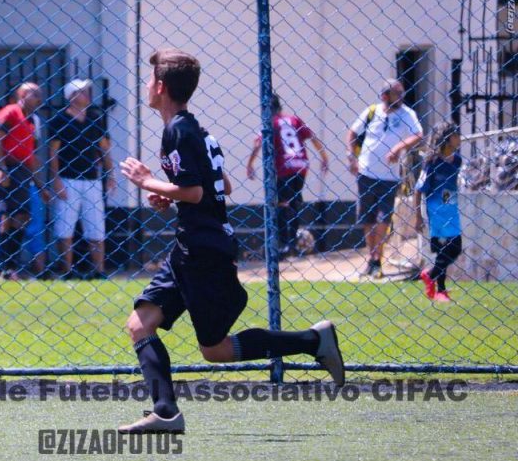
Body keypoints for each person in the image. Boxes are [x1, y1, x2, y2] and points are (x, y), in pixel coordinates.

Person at [118, 49, 344, 434]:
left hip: (203, 253)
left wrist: (145, 181)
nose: (145, 85)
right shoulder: (194, 130)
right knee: (140, 325)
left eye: (149, 79)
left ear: (160, 86)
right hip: (190, 246)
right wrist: (165, 194)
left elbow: (193, 192)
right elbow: (219, 186)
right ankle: (166, 413)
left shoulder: (180, 130)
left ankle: (313, 341)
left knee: (216, 350)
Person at [346, 79, 424, 279]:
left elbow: (418, 134)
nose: (401, 97)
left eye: (401, 92)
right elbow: (353, 133)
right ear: (384, 96)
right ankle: (371, 260)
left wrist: (399, 148)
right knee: (367, 219)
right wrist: (352, 156)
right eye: (397, 93)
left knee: (383, 219)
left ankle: (377, 260)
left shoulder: (407, 114)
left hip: (389, 177)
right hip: (366, 172)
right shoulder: (372, 112)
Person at [245, 94, 330, 259]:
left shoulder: (270, 123)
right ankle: (293, 241)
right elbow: (312, 137)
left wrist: (250, 164)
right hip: (301, 165)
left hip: (285, 166)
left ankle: (285, 244)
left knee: (281, 204)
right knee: (293, 203)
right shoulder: (294, 120)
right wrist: (324, 157)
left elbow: (258, 143)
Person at [48, 79, 115, 279]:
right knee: (65, 226)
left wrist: (110, 176)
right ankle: (67, 271)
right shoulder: (59, 120)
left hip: (92, 180)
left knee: (96, 226)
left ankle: (99, 271)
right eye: (83, 92)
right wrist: (56, 179)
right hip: (68, 179)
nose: (87, 95)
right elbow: (53, 153)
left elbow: (104, 149)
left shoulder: (96, 118)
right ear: (72, 96)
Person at [0, 83, 46, 279]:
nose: (38, 96)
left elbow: (31, 156)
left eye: (39, 94)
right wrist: (1, 168)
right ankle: (6, 267)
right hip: (9, 168)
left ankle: (10, 266)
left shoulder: (32, 121)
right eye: (33, 93)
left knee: (21, 216)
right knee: (11, 216)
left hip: (22, 171)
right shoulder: (11, 112)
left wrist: (40, 185)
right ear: (20, 95)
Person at [414, 123, 463, 304]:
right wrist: (418, 216)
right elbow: (418, 189)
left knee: (454, 248)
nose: (459, 139)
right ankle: (440, 290)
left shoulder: (457, 160)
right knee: (446, 248)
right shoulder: (432, 162)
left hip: (451, 208)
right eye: (457, 135)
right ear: (448, 138)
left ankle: (431, 276)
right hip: (436, 210)